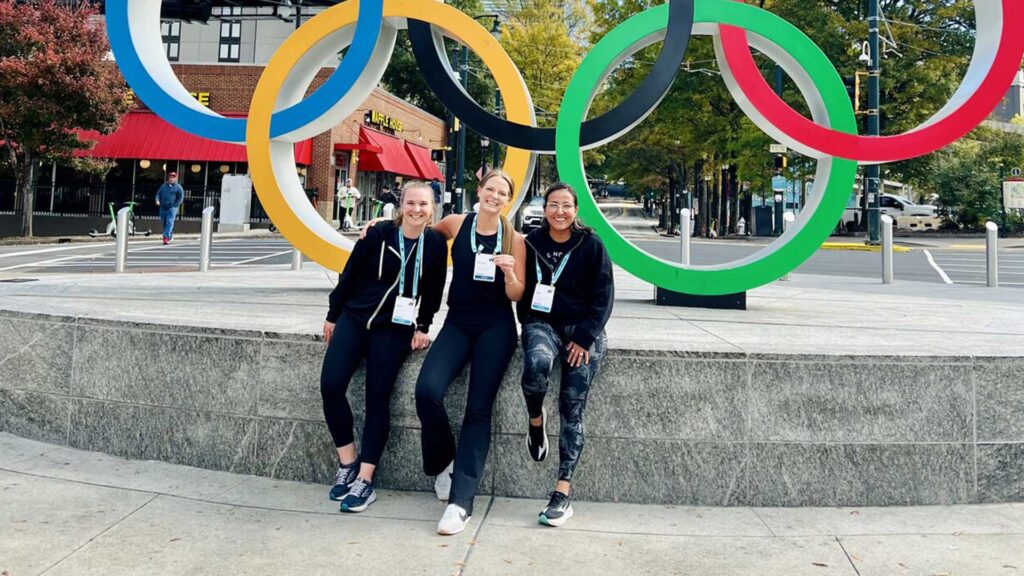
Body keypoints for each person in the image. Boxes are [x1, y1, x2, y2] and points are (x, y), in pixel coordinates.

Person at [364, 169, 526, 535]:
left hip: (496, 328)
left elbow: (517, 295)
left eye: (502, 193)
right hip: (457, 322)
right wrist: (379, 225)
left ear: (507, 200)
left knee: (477, 410)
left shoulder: (514, 238)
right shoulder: (456, 223)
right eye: (490, 189)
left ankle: (461, 502)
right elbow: (416, 233)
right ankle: (443, 461)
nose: (495, 197)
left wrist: (511, 275)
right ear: (480, 191)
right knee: (427, 391)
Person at [320, 181, 448, 513]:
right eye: (411, 203)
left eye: (423, 204)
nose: (416, 209)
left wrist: (422, 326)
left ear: (432, 207)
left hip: (394, 330)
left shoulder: (435, 244)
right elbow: (349, 274)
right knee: (331, 385)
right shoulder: (377, 235)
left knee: (377, 398)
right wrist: (333, 314)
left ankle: (365, 479)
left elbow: (433, 290)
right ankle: (347, 462)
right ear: (400, 205)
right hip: (355, 318)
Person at [518, 182, 614, 527]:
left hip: (582, 330)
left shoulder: (591, 245)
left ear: (575, 210)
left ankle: (562, 491)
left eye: (566, 206)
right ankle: (534, 420)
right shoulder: (530, 242)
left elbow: (604, 297)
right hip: (542, 323)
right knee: (537, 365)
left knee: (572, 406)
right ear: (544, 209)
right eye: (553, 205)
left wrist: (585, 338)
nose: (559, 211)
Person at [155, 172, 184, 245]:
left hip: (172, 207)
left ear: (176, 178)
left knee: (169, 221)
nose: (172, 178)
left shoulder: (178, 187)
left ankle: (166, 237)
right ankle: (170, 236)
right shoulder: (163, 186)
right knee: (165, 222)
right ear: (169, 178)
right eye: (171, 177)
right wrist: (157, 200)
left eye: (173, 177)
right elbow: (158, 194)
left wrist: (176, 204)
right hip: (163, 207)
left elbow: (181, 197)